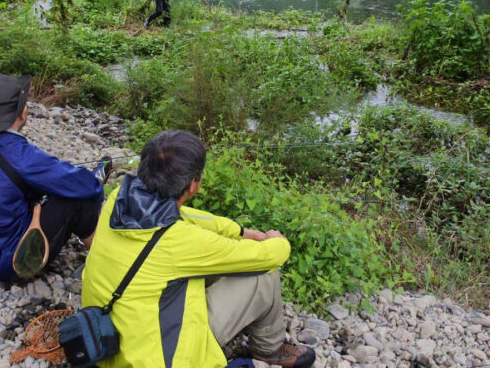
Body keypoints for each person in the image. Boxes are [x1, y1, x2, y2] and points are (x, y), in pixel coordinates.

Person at [81, 130, 316, 368]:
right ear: (194, 184)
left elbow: (185, 215)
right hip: (154, 360)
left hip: (103, 341)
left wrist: (239, 232)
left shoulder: (118, 201)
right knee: (264, 275)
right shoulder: (181, 240)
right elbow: (268, 257)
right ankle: (268, 349)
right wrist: (278, 240)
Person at [0, 75, 112, 282]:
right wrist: (95, 179)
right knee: (83, 197)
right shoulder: (23, 156)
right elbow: (87, 187)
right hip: (6, 262)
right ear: (21, 112)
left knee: (50, 186)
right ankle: (106, 259)